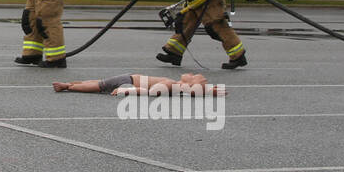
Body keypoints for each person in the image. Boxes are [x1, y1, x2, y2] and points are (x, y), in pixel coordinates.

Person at [52, 72, 227, 95]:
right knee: (98, 82)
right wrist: (213, 91)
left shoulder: (171, 85)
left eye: (192, 76)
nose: (190, 73)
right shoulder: (176, 85)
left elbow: (148, 91)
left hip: (128, 81)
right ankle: (70, 84)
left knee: (99, 86)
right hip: (129, 79)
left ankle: (68, 86)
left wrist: (127, 91)